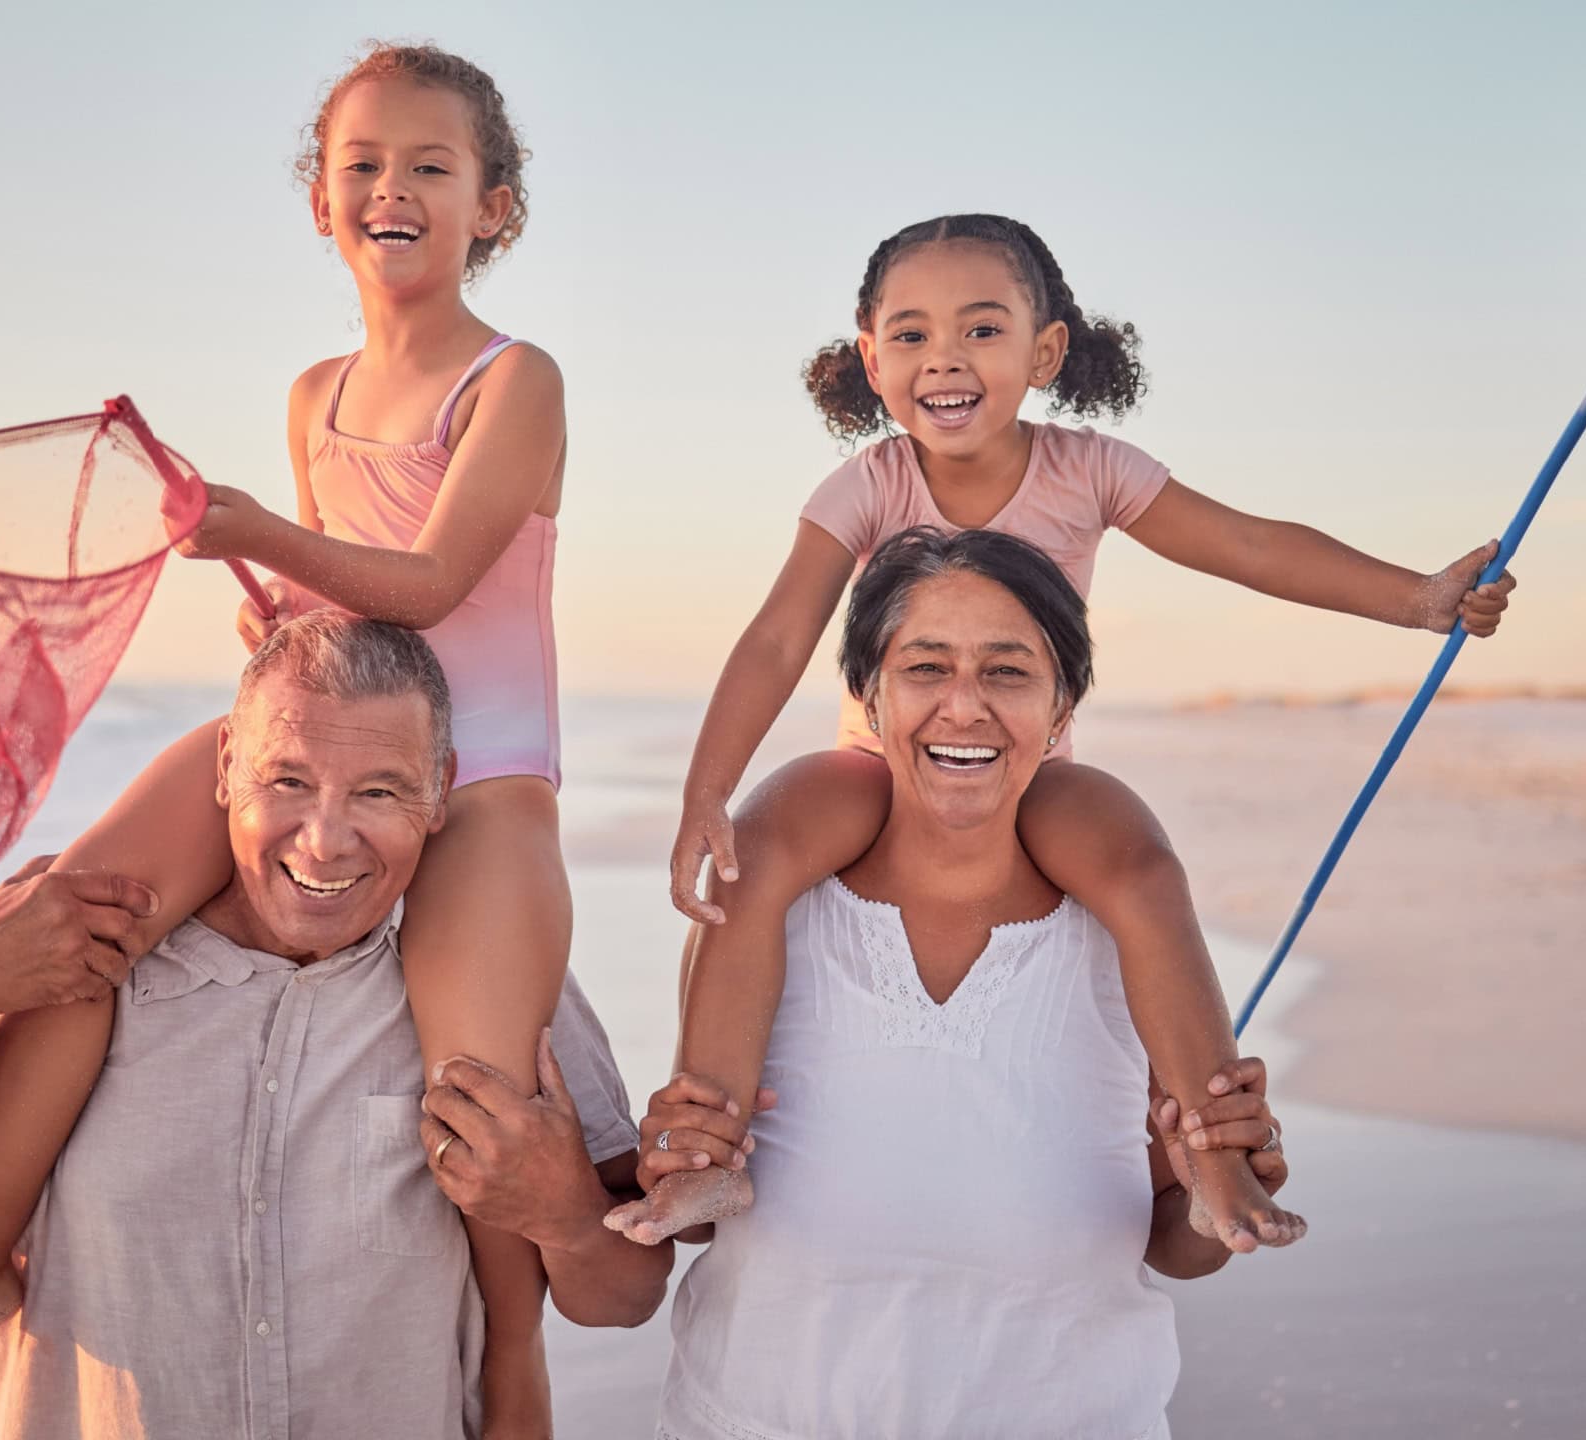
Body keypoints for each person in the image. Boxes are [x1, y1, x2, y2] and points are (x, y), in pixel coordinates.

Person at [0, 43, 582, 1434]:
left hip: (483, 774)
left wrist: (256, 532)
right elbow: (344, 600)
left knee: (478, 1087)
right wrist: (282, 611)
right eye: (363, 165)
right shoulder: (313, 394)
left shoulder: (512, 379)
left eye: (431, 166)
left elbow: (427, 586)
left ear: (494, 205)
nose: (393, 189)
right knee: (83, 924)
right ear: (320, 199)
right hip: (346, 731)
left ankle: (515, 1360)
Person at [637, 212, 1515, 1246]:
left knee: (1138, 864)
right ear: (872, 361)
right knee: (755, 852)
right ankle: (701, 1155)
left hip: (1032, 763)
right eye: (911, 335)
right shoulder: (867, 483)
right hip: (882, 759)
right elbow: (779, 637)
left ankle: (1214, 1157)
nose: (944, 359)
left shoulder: (1090, 469)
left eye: (981, 329)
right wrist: (705, 792)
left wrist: (1415, 599)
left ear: (1044, 351)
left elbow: (1246, 545)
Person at [0, 613, 669, 1436]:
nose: (325, 842)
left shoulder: (498, 980)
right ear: (227, 764)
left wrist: (565, 1216)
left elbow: (627, 1298)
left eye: (378, 792)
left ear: (439, 791)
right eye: (288, 782)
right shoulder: (53, 941)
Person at [621, 528, 1287, 1438]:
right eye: (925, 668)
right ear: (870, 694)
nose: (964, 707)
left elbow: (1174, 1240)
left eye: (1008, 672)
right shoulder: (777, 902)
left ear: (1061, 706)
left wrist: (1215, 1207)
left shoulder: (1123, 922)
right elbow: (698, 1217)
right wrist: (677, 1152)